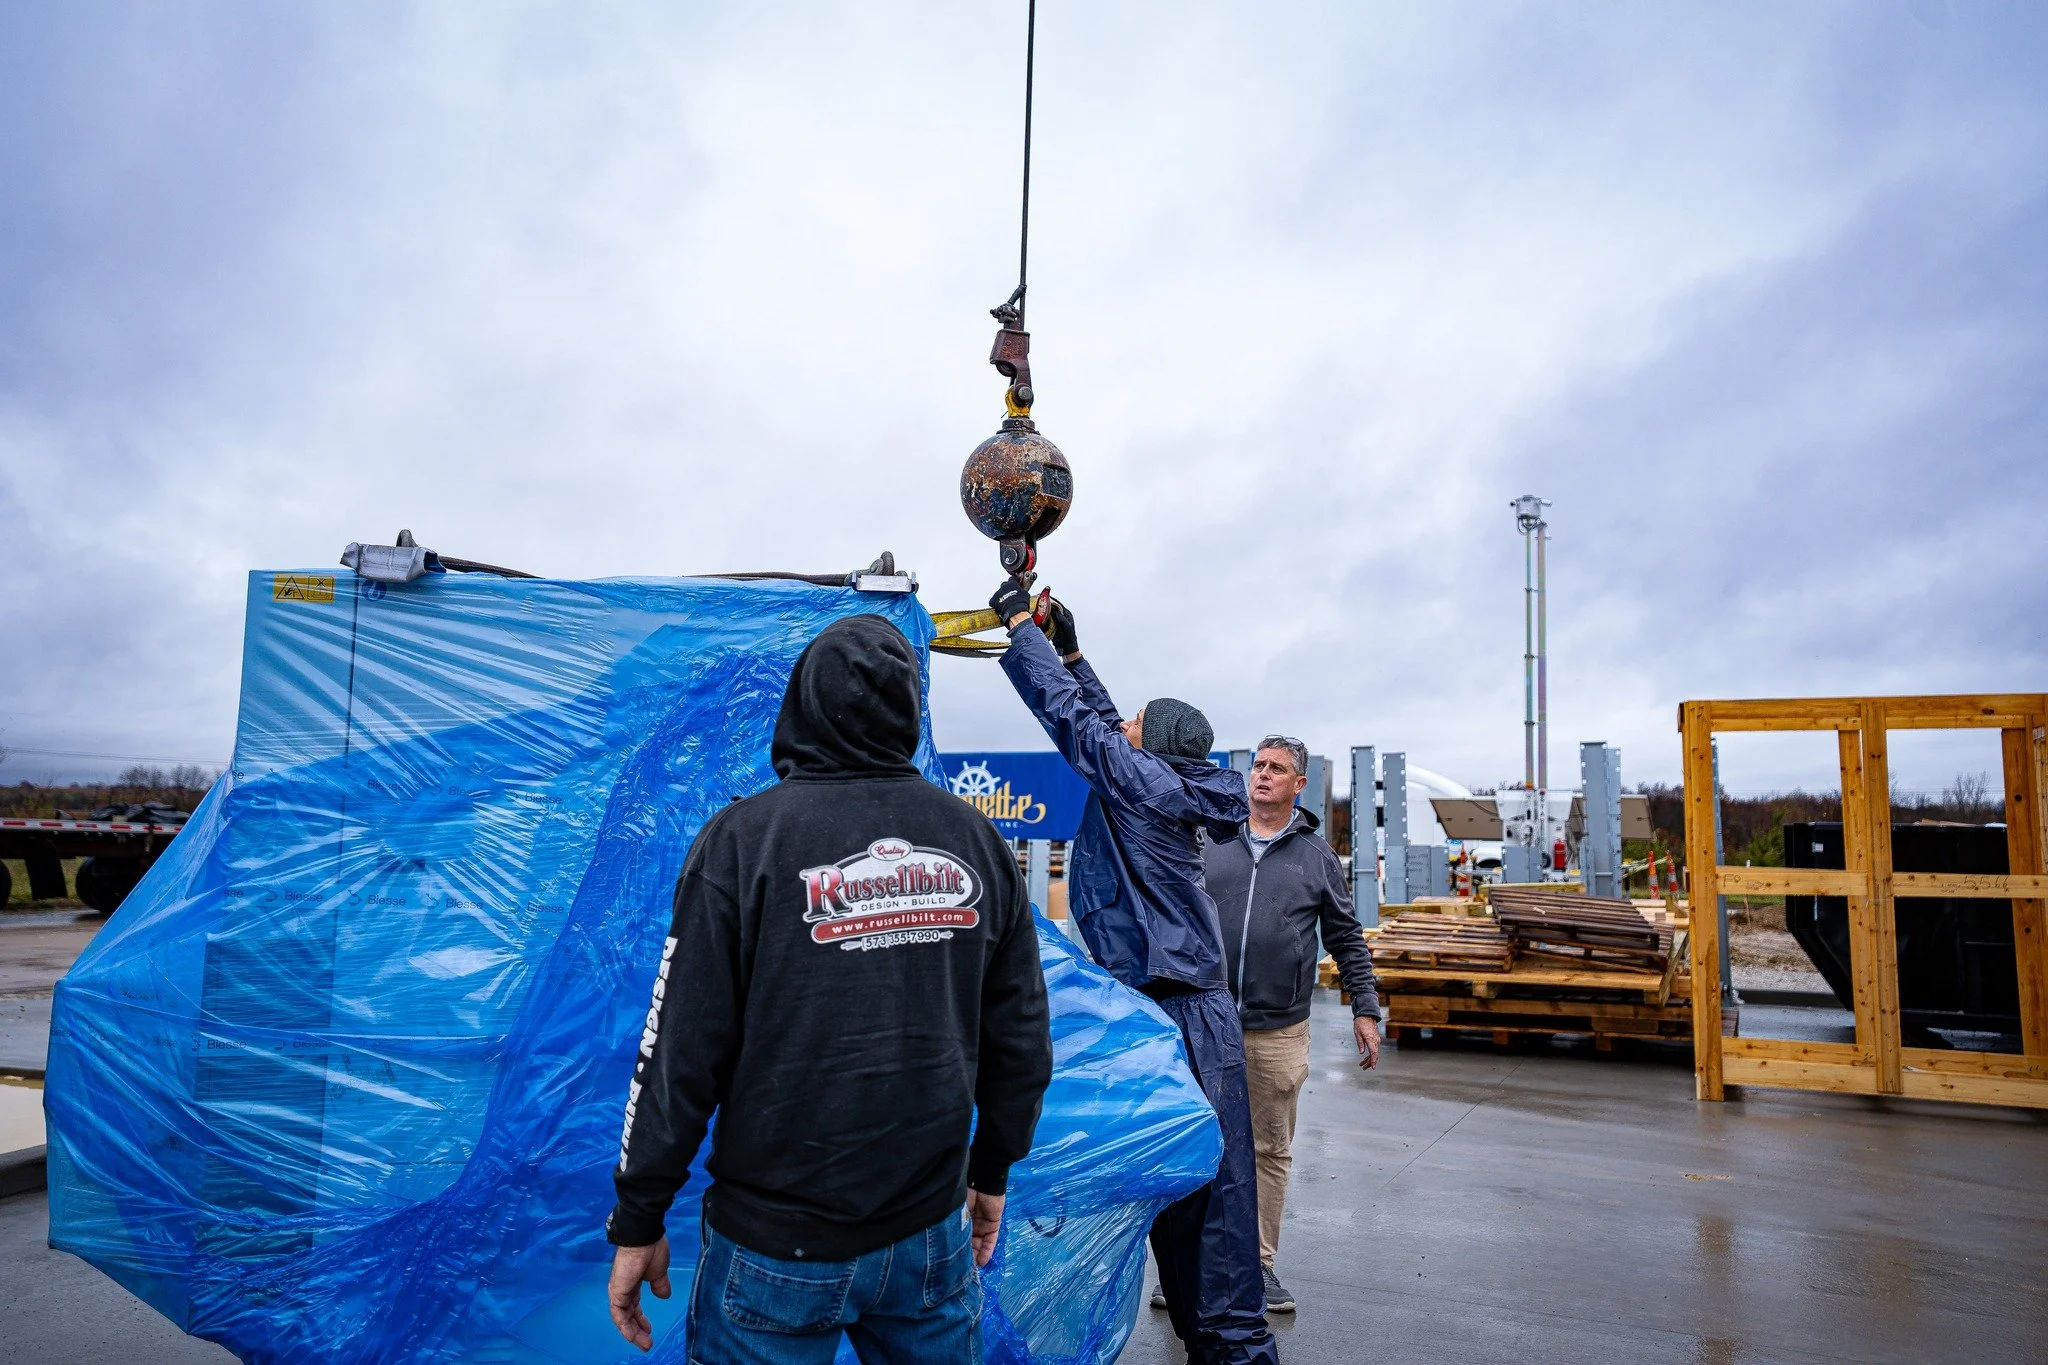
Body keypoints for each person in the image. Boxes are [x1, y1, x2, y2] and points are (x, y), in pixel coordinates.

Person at [605, 614, 1054, 1361]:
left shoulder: (743, 841)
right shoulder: (977, 843)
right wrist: (992, 1169)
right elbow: (1023, 1041)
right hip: (928, 1236)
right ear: (908, 711)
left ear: (803, 705)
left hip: (775, 1249)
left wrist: (638, 1214)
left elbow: (680, 1049)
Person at [990, 578, 1279, 1365]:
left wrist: (1021, 626)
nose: (1124, 725)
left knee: (1213, 1211)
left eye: (1136, 726)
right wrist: (1074, 650)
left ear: (1149, 748)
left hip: (1181, 1013)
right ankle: (1208, 1339)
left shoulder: (1142, 783)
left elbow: (1081, 725)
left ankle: (1235, 1350)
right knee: (1179, 1196)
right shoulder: (1163, 779)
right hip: (1175, 1010)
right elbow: (1110, 725)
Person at [1204, 735, 1381, 1315]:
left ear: (1297, 785)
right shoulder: (1213, 838)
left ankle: (1258, 1265)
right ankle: (1194, 1266)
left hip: (1275, 1030)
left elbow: (1347, 936)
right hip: (1205, 1023)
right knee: (1201, 1145)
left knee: (1265, 1149)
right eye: (1258, 765)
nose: (1262, 776)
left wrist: (1365, 1008)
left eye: (1277, 769)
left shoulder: (1315, 857)